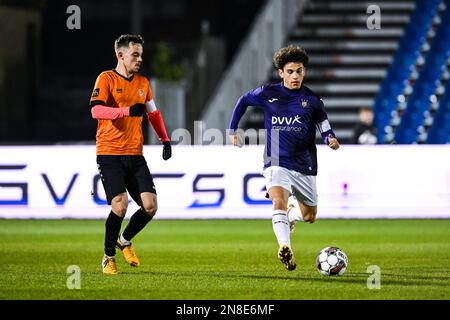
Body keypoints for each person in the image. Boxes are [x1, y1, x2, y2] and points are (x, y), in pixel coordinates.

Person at [228, 44, 339, 271]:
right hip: (276, 157)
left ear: (304, 72)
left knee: (310, 216)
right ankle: (285, 247)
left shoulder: (312, 100)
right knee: (277, 199)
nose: (295, 76)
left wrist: (330, 137)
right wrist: (232, 130)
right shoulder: (268, 93)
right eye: (290, 71)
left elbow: (323, 123)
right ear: (281, 73)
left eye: (299, 71)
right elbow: (243, 101)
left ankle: (291, 215)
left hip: (305, 161)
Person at [90, 34, 172, 275]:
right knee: (120, 206)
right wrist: (126, 110)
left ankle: (123, 240)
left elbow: (153, 114)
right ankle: (108, 256)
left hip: (135, 155)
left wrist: (164, 139)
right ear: (120, 55)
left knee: (150, 206)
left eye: (141, 55)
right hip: (109, 154)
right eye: (135, 55)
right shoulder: (106, 78)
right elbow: (96, 111)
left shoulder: (143, 83)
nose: (139, 59)